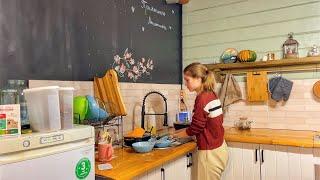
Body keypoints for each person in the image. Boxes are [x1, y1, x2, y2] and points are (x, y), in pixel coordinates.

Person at [173, 62, 228, 180]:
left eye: (187, 80)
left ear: (198, 78)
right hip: (219, 148)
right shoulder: (211, 94)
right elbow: (203, 124)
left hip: (210, 153)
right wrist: (179, 132)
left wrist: (174, 136)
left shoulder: (202, 98)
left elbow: (196, 128)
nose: (185, 83)